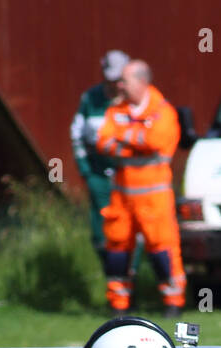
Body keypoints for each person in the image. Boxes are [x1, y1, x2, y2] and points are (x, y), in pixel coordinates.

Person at [96, 60, 186, 317]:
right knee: (117, 248)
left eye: (125, 81)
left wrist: (124, 136)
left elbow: (156, 141)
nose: (120, 86)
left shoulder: (163, 111)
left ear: (142, 82)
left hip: (154, 197)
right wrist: (136, 140)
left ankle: (173, 302)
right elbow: (103, 141)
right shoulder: (116, 110)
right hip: (122, 196)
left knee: (162, 249)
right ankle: (119, 304)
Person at [71, 50, 129, 271]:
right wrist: (86, 171)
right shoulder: (90, 99)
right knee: (100, 233)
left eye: (117, 79)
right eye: (110, 78)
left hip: (126, 176)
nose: (113, 83)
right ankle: (112, 276)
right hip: (98, 174)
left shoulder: (134, 101)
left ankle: (128, 280)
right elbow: (76, 135)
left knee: (126, 231)